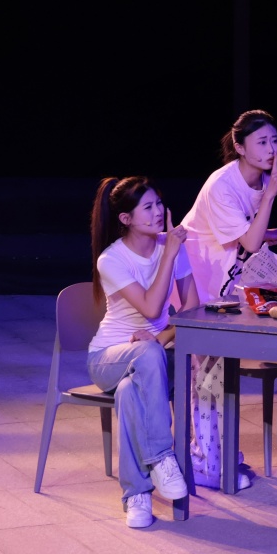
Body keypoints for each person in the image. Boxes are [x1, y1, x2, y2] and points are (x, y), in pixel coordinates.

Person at [180, 109, 277, 490]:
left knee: (220, 372)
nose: (271, 149)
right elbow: (249, 241)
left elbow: (249, 234)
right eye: (262, 142)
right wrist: (269, 199)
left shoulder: (261, 180)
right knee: (206, 373)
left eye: (274, 140)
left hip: (223, 285)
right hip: (198, 280)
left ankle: (219, 457)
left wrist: (264, 228)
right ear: (240, 147)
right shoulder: (222, 184)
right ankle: (205, 463)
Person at [86, 176, 198, 529]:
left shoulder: (172, 246)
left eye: (158, 204)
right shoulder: (111, 259)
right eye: (147, 207)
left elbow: (193, 309)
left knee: (129, 392)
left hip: (153, 356)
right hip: (107, 357)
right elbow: (151, 308)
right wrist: (169, 254)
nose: (157, 212)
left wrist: (162, 337)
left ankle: (136, 494)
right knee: (145, 356)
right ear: (126, 218)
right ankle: (162, 456)